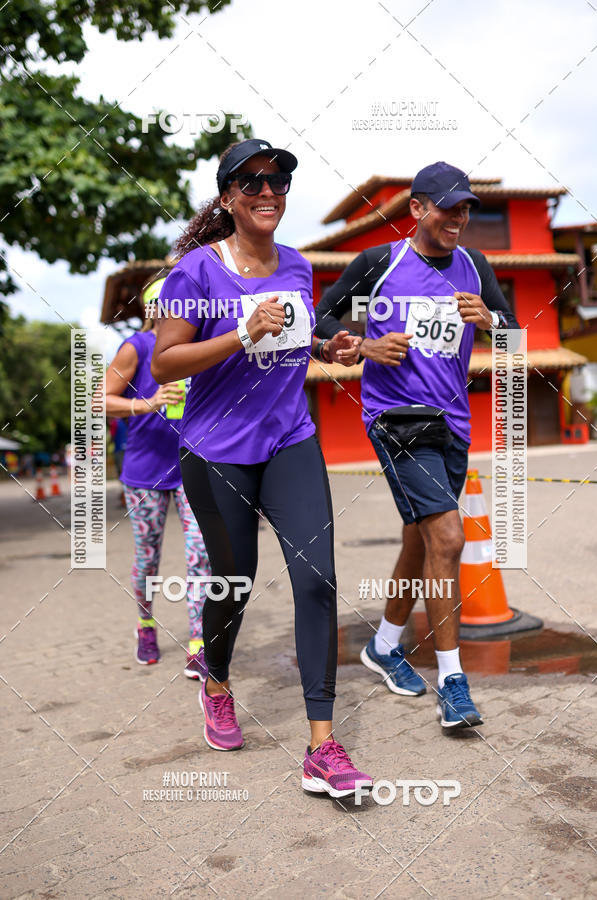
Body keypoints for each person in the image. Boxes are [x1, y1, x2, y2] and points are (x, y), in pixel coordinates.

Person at [151, 138, 372, 797]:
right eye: (251, 183)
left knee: (317, 580)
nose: (268, 191)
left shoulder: (300, 267)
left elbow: (293, 347)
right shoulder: (195, 272)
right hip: (216, 450)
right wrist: (240, 334)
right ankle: (216, 678)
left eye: (278, 181)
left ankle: (322, 747)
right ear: (228, 198)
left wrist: (330, 344)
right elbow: (165, 364)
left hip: (290, 439)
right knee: (235, 579)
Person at [315, 161, 519, 729]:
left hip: (453, 423)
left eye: (465, 208)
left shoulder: (475, 267)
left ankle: (383, 646)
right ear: (417, 209)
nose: (458, 217)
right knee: (449, 536)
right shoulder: (381, 262)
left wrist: (493, 323)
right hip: (397, 419)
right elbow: (321, 319)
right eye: (448, 206)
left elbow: (514, 334)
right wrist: (363, 348)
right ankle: (453, 682)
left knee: (420, 539)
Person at [105, 279, 211, 679]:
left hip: (192, 465)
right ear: (154, 310)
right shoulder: (137, 346)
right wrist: (146, 403)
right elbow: (102, 398)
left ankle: (200, 642)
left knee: (201, 553)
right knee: (148, 557)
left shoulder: (196, 347)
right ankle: (146, 626)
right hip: (145, 471)